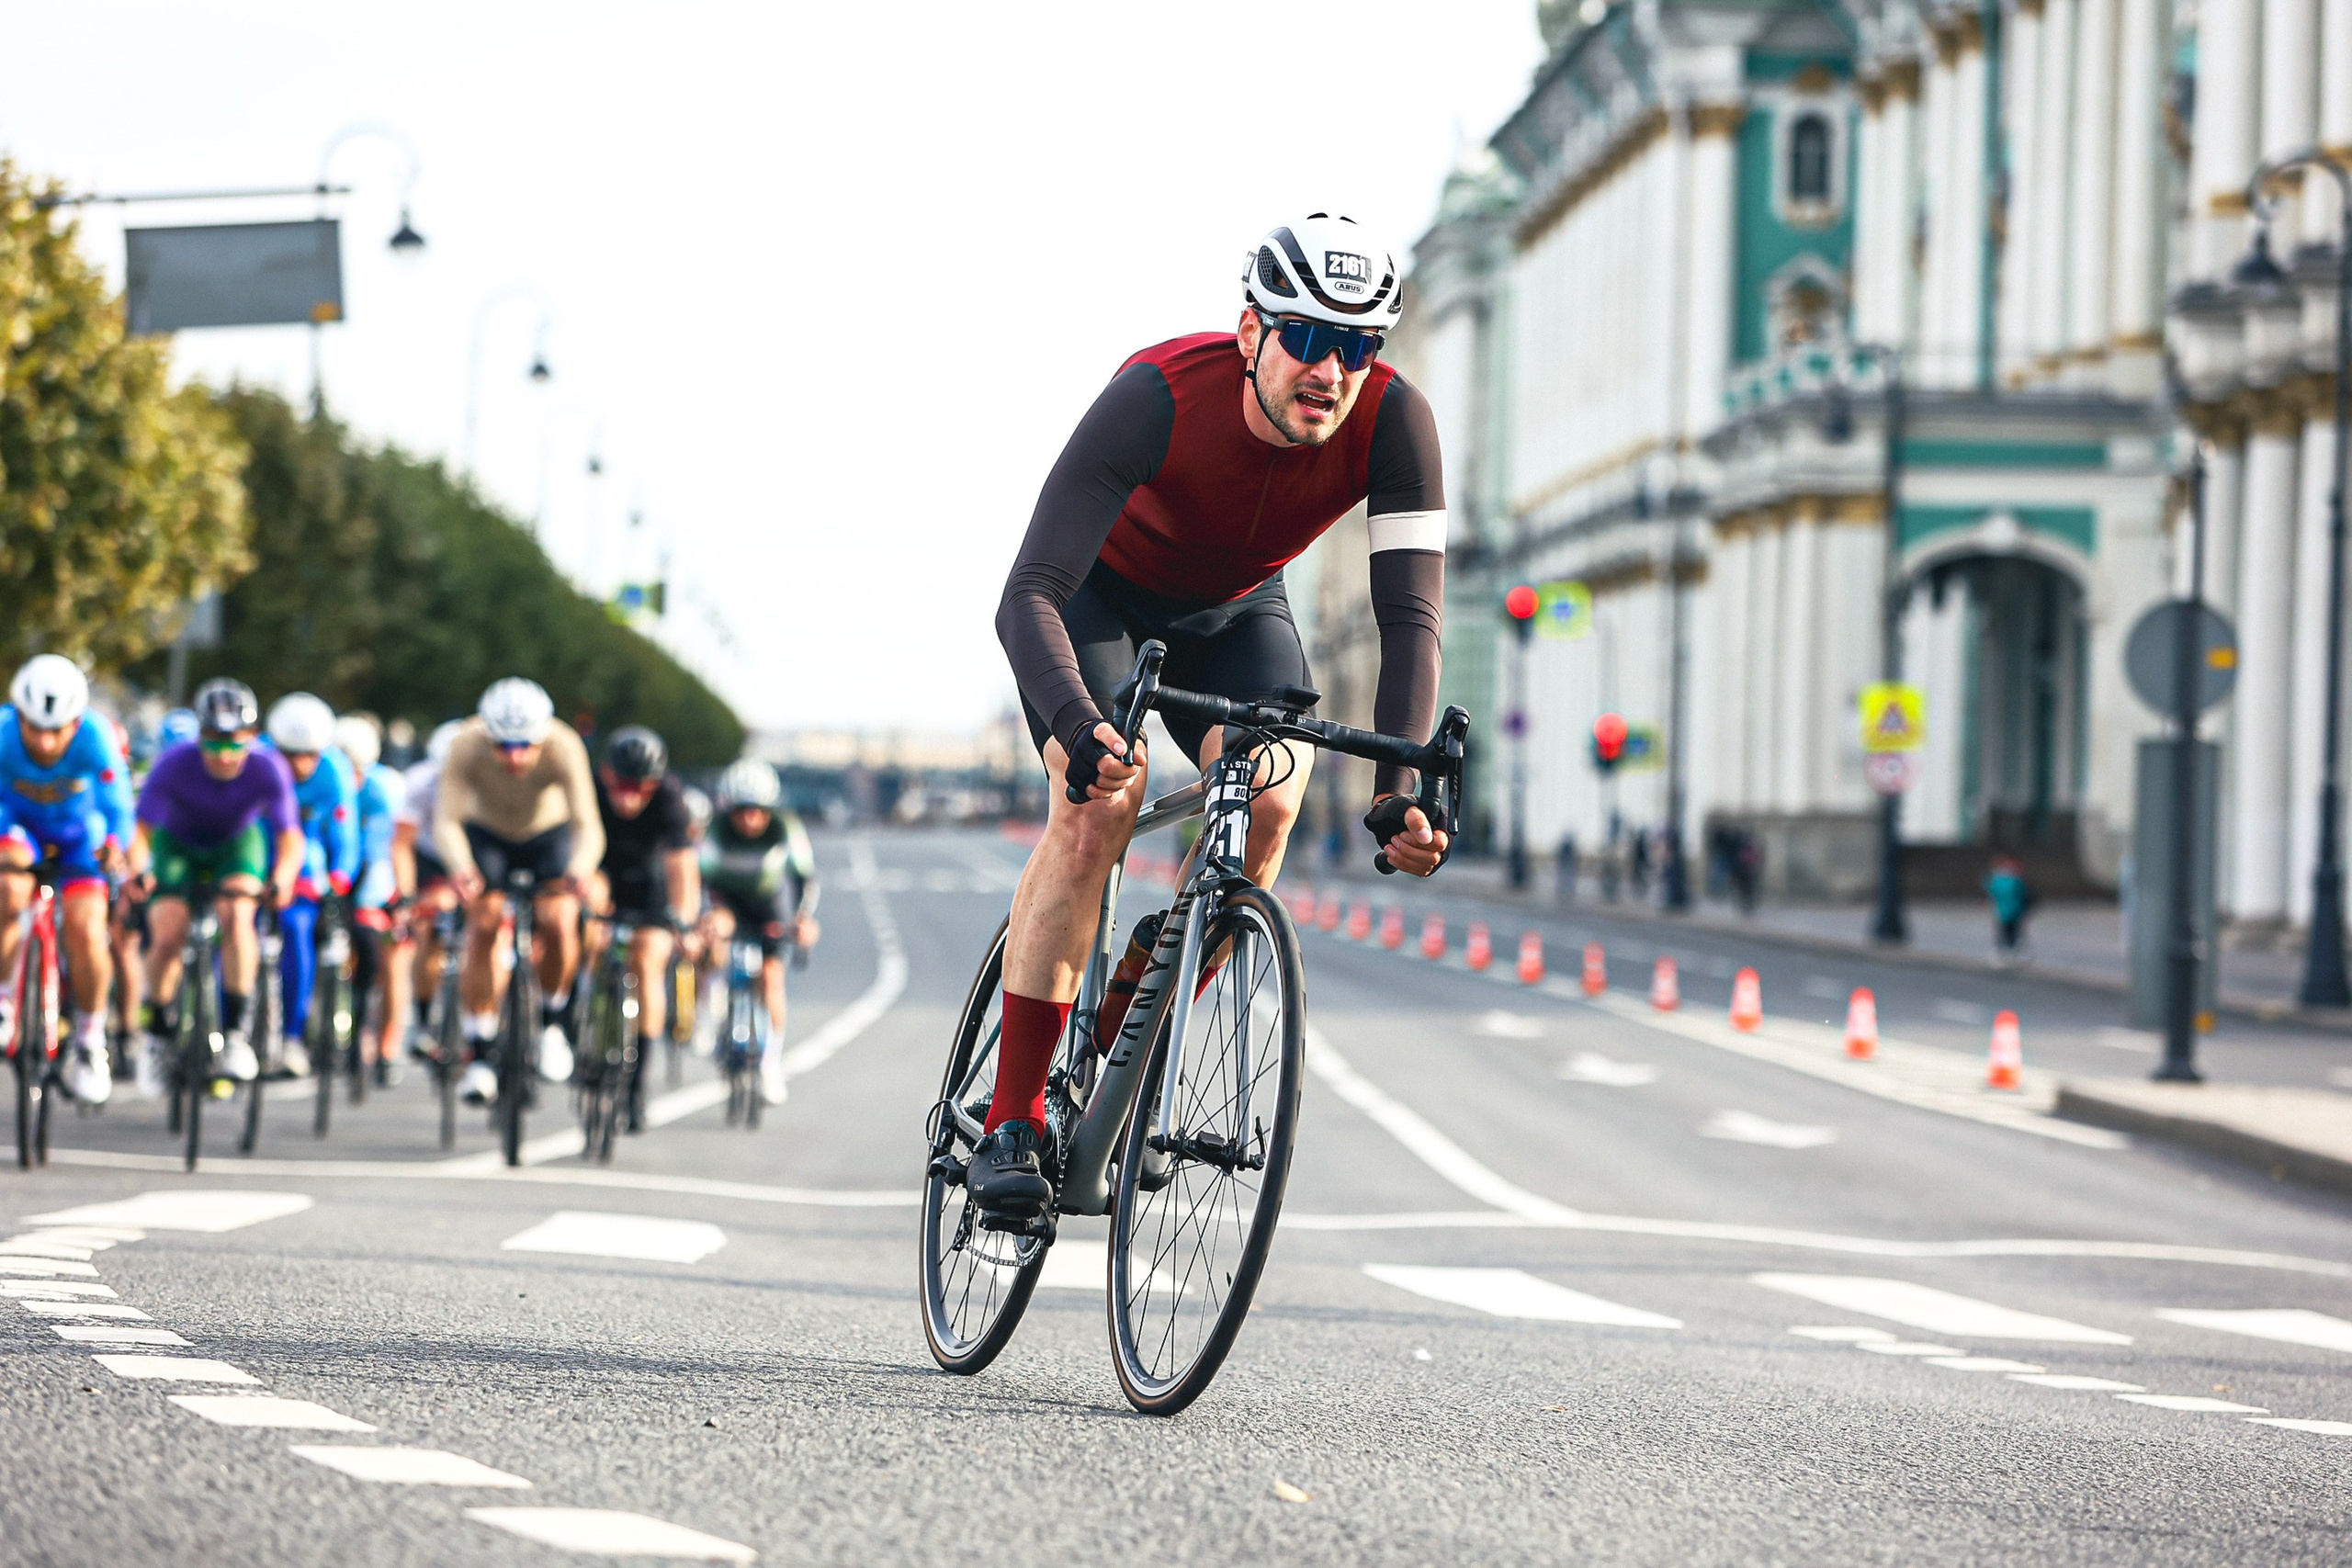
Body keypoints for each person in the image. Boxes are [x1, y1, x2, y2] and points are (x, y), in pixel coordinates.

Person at [973, 213, 1450, 1216]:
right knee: (1100, 807)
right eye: (1308, 339)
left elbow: (1408, 616)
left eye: (1358, 346)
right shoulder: (1155, 396)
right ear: (1250, 335)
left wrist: (1399, 788)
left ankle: (1133, 1019)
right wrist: (1077, 726)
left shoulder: (1397, 421)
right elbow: (1029, 595)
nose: (1332, 369)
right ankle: (1013, 1117)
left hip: (1235, 609)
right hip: (1095, 601)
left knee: (1272, 792)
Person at [430, 679, 602, 1104]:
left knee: (559, 919)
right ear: (487, 735)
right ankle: (482, 1049)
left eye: (525, 745)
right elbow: (447, 820)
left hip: (548, 832)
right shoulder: (465, 744)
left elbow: (587, 824)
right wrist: (462, 868)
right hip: (488, 833)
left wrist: (579, 872)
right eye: (502, 746)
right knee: (484, 923)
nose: (514, 757)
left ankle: (552, 1022)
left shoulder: (564, 745)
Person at [133, 679, 303, 1088]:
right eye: (214, 742)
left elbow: (289, 836)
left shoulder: (268, 767)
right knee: (168, 933)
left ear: (252, 737)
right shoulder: (174, 763)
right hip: (179, 845)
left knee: (239, 914)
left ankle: (235, 1035)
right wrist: (140, 868)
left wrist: (281, 879)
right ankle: (157, 1026)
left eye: (236, 743)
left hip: (235, 845)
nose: (225, 755)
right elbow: (140, 831)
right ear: (200, 736)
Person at [0, 656, 137, 1102]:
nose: (43, 741)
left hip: (80, 840)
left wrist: (116, 844)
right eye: (33, 727)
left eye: (56, 730)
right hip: (20, 830)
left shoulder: (96, 736)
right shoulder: (2, 734)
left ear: (76, 722)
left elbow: (118, 805)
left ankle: (89, 1039)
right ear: (17, 715)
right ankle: (4, 1001)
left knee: (86, 930)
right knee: (7, 888)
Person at [584, 726, 699, 1123]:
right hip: (602, 874)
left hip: (649, 882)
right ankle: (577, 1019)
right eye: (622, 785)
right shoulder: (590, 790)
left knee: (648, 960)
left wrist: (683, 922)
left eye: (641, 787)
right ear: (606, 774)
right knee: (587, 926)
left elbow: (682, 866)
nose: (629, 797)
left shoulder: (670, 798)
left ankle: (637, 1078)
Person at [698, 757, 819, 1107]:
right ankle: (710, 1003)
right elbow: (700, 879)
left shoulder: (786, 827)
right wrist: (702, 920)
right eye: (741, 811)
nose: (750, 819)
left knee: (771, 978)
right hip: (729, 901)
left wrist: (803, 920)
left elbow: (807, 879)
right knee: (716, 932)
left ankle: (770, 1064)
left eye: (758, 811)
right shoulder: (716, 829)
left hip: (771, 903)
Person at [264, 693, 360, 1079]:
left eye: (310, 756)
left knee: (298, 930)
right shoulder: (260, 760)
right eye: (291, 755)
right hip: (259, 855)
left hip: (306, 863)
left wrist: (339, 877)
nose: (301, 765)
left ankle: (292, 1036)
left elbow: (345, 836)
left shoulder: (334, 771)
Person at [334, 713, 410, 1087]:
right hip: (338, 869)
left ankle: (387, 1046)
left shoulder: (385, 788)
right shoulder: (327, 779)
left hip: (377, 875)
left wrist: (392, 899)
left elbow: (388, 850)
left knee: (388, 960)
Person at [392, 720, 464, 1061]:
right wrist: (408, 895)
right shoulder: (420, 782)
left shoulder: (485, 783)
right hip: (430, 858)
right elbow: (402, 845)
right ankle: (423, 1021)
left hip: (472, 859)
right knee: (426, 928)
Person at [1986, 854, 2036, 962]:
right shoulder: (2015, 880)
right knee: (2013, 933)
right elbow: (2024, 895)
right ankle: (2010, 952)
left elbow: (1991, 890)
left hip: (2005, 911)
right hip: (2013, 911)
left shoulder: (1998, 880)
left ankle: (2004, 952)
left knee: (2006, 932)